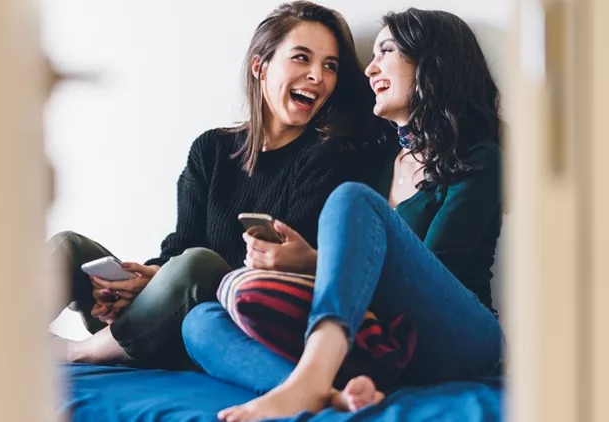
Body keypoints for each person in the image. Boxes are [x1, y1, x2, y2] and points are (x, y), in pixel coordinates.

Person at [182, 8, 504, 421]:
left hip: (459, 339)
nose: (371, 68)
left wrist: (312, 261)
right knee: (200, 322)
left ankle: (310, 379)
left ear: (431, 63)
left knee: (351, 199)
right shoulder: (376, 160)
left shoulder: (478, 158)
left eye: (386, 51)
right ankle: (329, 394)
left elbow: (435, 271)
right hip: (380, 343)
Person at [49, 0, 382, 370]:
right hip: (156, 318)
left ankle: (79, 351)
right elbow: (181, 244)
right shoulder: (211, 148)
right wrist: (140, 282)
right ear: (260, 66)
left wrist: (175, 277)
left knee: (202, 264)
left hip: (214, 325)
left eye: (330, 66)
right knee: (70, 247)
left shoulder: (325, 157)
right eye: (302, 58)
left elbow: (271, 270)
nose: (318, 76)